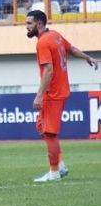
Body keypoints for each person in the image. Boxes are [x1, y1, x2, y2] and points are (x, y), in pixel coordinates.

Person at [25, 10, 98, 182]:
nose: (26, 27)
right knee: (41, 127)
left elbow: (48, 71)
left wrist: (39, 96)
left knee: (49, 133)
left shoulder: (43, 42)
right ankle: (60, 164)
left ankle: (54, 172)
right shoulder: (55, 36)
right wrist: (87, 57)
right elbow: (70, 48)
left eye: (29, 23)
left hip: (53, 93)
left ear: (39, 24)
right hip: (61, 90)